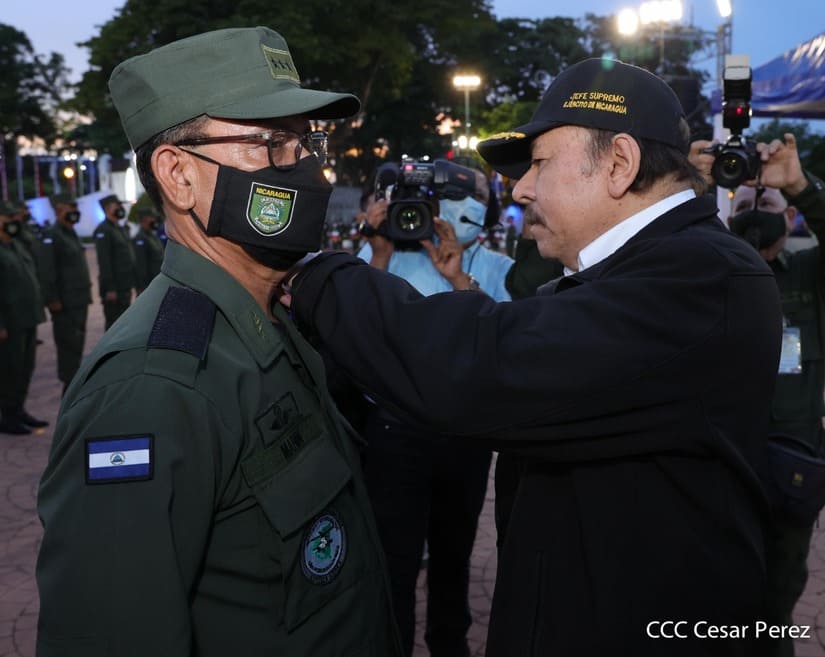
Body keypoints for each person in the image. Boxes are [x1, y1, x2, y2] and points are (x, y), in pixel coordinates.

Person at [281, 58, 783, 656]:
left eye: (540, 163)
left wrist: (312, 273)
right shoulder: (647, 270)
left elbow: (475, 367)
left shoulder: (701, 276)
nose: (521, 189)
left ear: (619, 164)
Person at [36, 26, 402, 657]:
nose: (305, 168)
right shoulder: (151, 388)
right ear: (177, 175)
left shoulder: (277, 322)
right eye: (270, 143)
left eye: (306, 142)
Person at [356, 165, 510, 657]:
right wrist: (377, 252)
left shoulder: (498, 266)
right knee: (394, 561)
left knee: (453, 555)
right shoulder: (376, 256)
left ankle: (449, 644)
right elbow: (354, 329)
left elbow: (504, 340)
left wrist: (458, 277)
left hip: (462, 435)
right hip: (394, 432)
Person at [693, 133, 825, 657]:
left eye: (767, 205)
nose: (755, 214)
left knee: (772, 616)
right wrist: (686, 186)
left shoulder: (810, 275)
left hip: (790, 474)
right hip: (713, 471)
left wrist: (799, 186)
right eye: (744, 205)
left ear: (789, 218)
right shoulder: (700, 273)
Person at [38, 193, 93, 395]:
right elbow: (47, 270)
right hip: (64, 302)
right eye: (71, 207)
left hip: (78, 300)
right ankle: (68, 389)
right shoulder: (52, 235)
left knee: (76, 344)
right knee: (68, 346)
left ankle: (74, 385)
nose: (75, 211)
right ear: (59, 209)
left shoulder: (70, 233)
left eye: (75, 207)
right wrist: (52, 299)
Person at [0, 201, 47, 435]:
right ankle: (7, 416)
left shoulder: (16, 244)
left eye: (14, 218)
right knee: (10, 370)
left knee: (25, 368)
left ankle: (19, 409)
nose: (13, 222)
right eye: (7, 219)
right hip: (10, 321)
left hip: (28, 316)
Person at [94, 193, 136, 328]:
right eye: (117, 205)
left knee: (124, 325)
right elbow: (104, 262)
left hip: (124, 285)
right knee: (114, 326)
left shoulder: (119, 228)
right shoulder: (104, 230)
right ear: (107, 209)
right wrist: (110, 288)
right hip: (115, 288)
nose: (120, 208)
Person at [131, 206, 165, 294]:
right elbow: (140, 265)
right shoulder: (140, 239)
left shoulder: (152, 236)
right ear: (144, 220)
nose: (154, 220)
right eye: (152, 218)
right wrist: (142, 287)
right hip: (148, 285)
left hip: (156, 282)